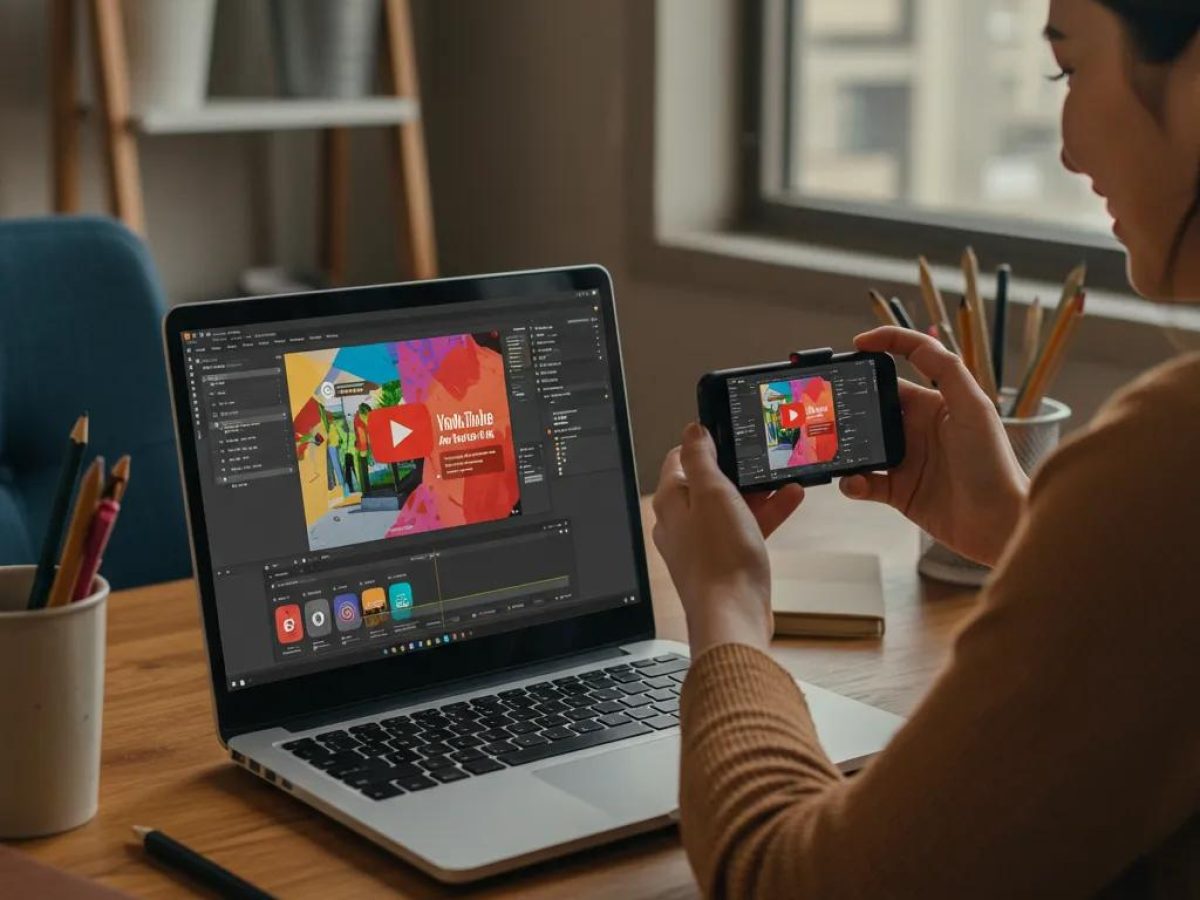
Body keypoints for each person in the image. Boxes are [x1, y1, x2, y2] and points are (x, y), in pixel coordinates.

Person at [652, 1, 1200, 896]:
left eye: (1069, 70)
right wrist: (1023, 535)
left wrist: (725, 611)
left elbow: (786, 879)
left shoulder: (1177, 453)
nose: (1065, 149)